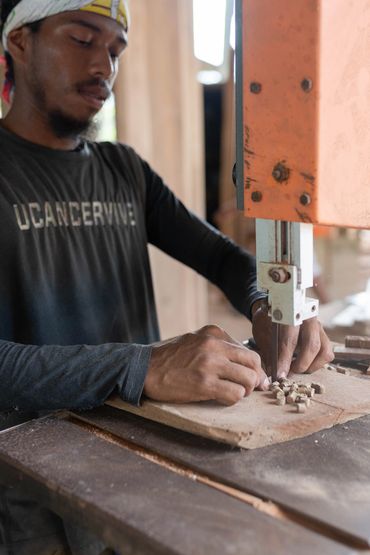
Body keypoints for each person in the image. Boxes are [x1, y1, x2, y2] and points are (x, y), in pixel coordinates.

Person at [0, 1, 334, 553]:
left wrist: (267, 303)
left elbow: (225, 260)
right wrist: (142, 364)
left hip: (135, 459)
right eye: (83, 39)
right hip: (30, 482)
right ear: (20, 42)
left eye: (115, 50)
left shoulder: (123, 171)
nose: (104, 66)